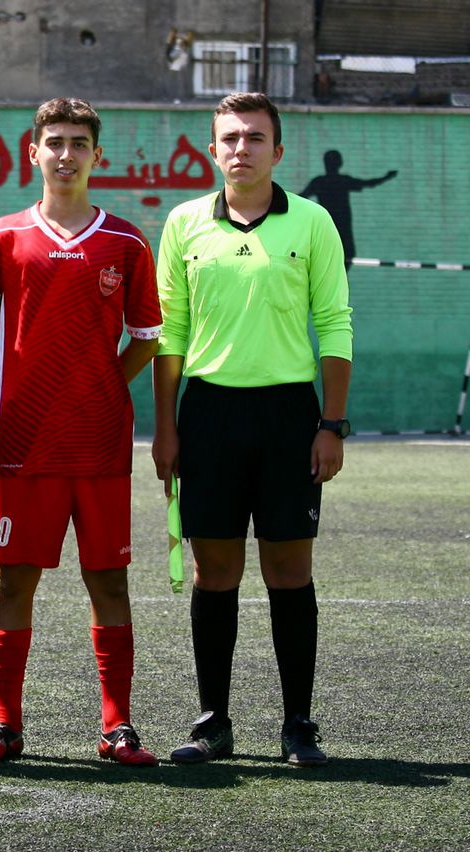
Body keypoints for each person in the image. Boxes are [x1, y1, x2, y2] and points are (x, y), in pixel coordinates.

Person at [152, 92, 354, 767]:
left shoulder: (313, 221)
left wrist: (331, 423)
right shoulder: (184, 223)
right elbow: (170, 332)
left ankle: (299, 725)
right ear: (213, 150)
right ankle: (214, 722)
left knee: (289, 570)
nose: (242, 148)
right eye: (231, 138)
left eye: (256, 137)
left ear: (278, 150)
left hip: (289, 417)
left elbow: (335, 322)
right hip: (208, 415)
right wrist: (165, 427)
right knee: (214, 572)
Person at [0, 98, 162, 767]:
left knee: (109, 582)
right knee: (14, 581)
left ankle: (117, 726)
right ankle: (4, 724)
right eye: (55, 142)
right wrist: (17, 383)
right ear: (34, 152)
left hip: (101, 443)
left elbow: (146, 339)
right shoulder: (0, 239)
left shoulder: (126, 242)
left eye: (79, 143)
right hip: (24, 443)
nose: (66, 154)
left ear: (97, 155)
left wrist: (101, 384)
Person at [300, 150, 397, 269]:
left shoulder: (320, 182)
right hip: (338, 229)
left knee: (337, 259)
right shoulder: (338, 181)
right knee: (342, 258)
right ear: (340, 163)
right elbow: (367, 183)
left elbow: (301, 197)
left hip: (331, 229)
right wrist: (386, 177)